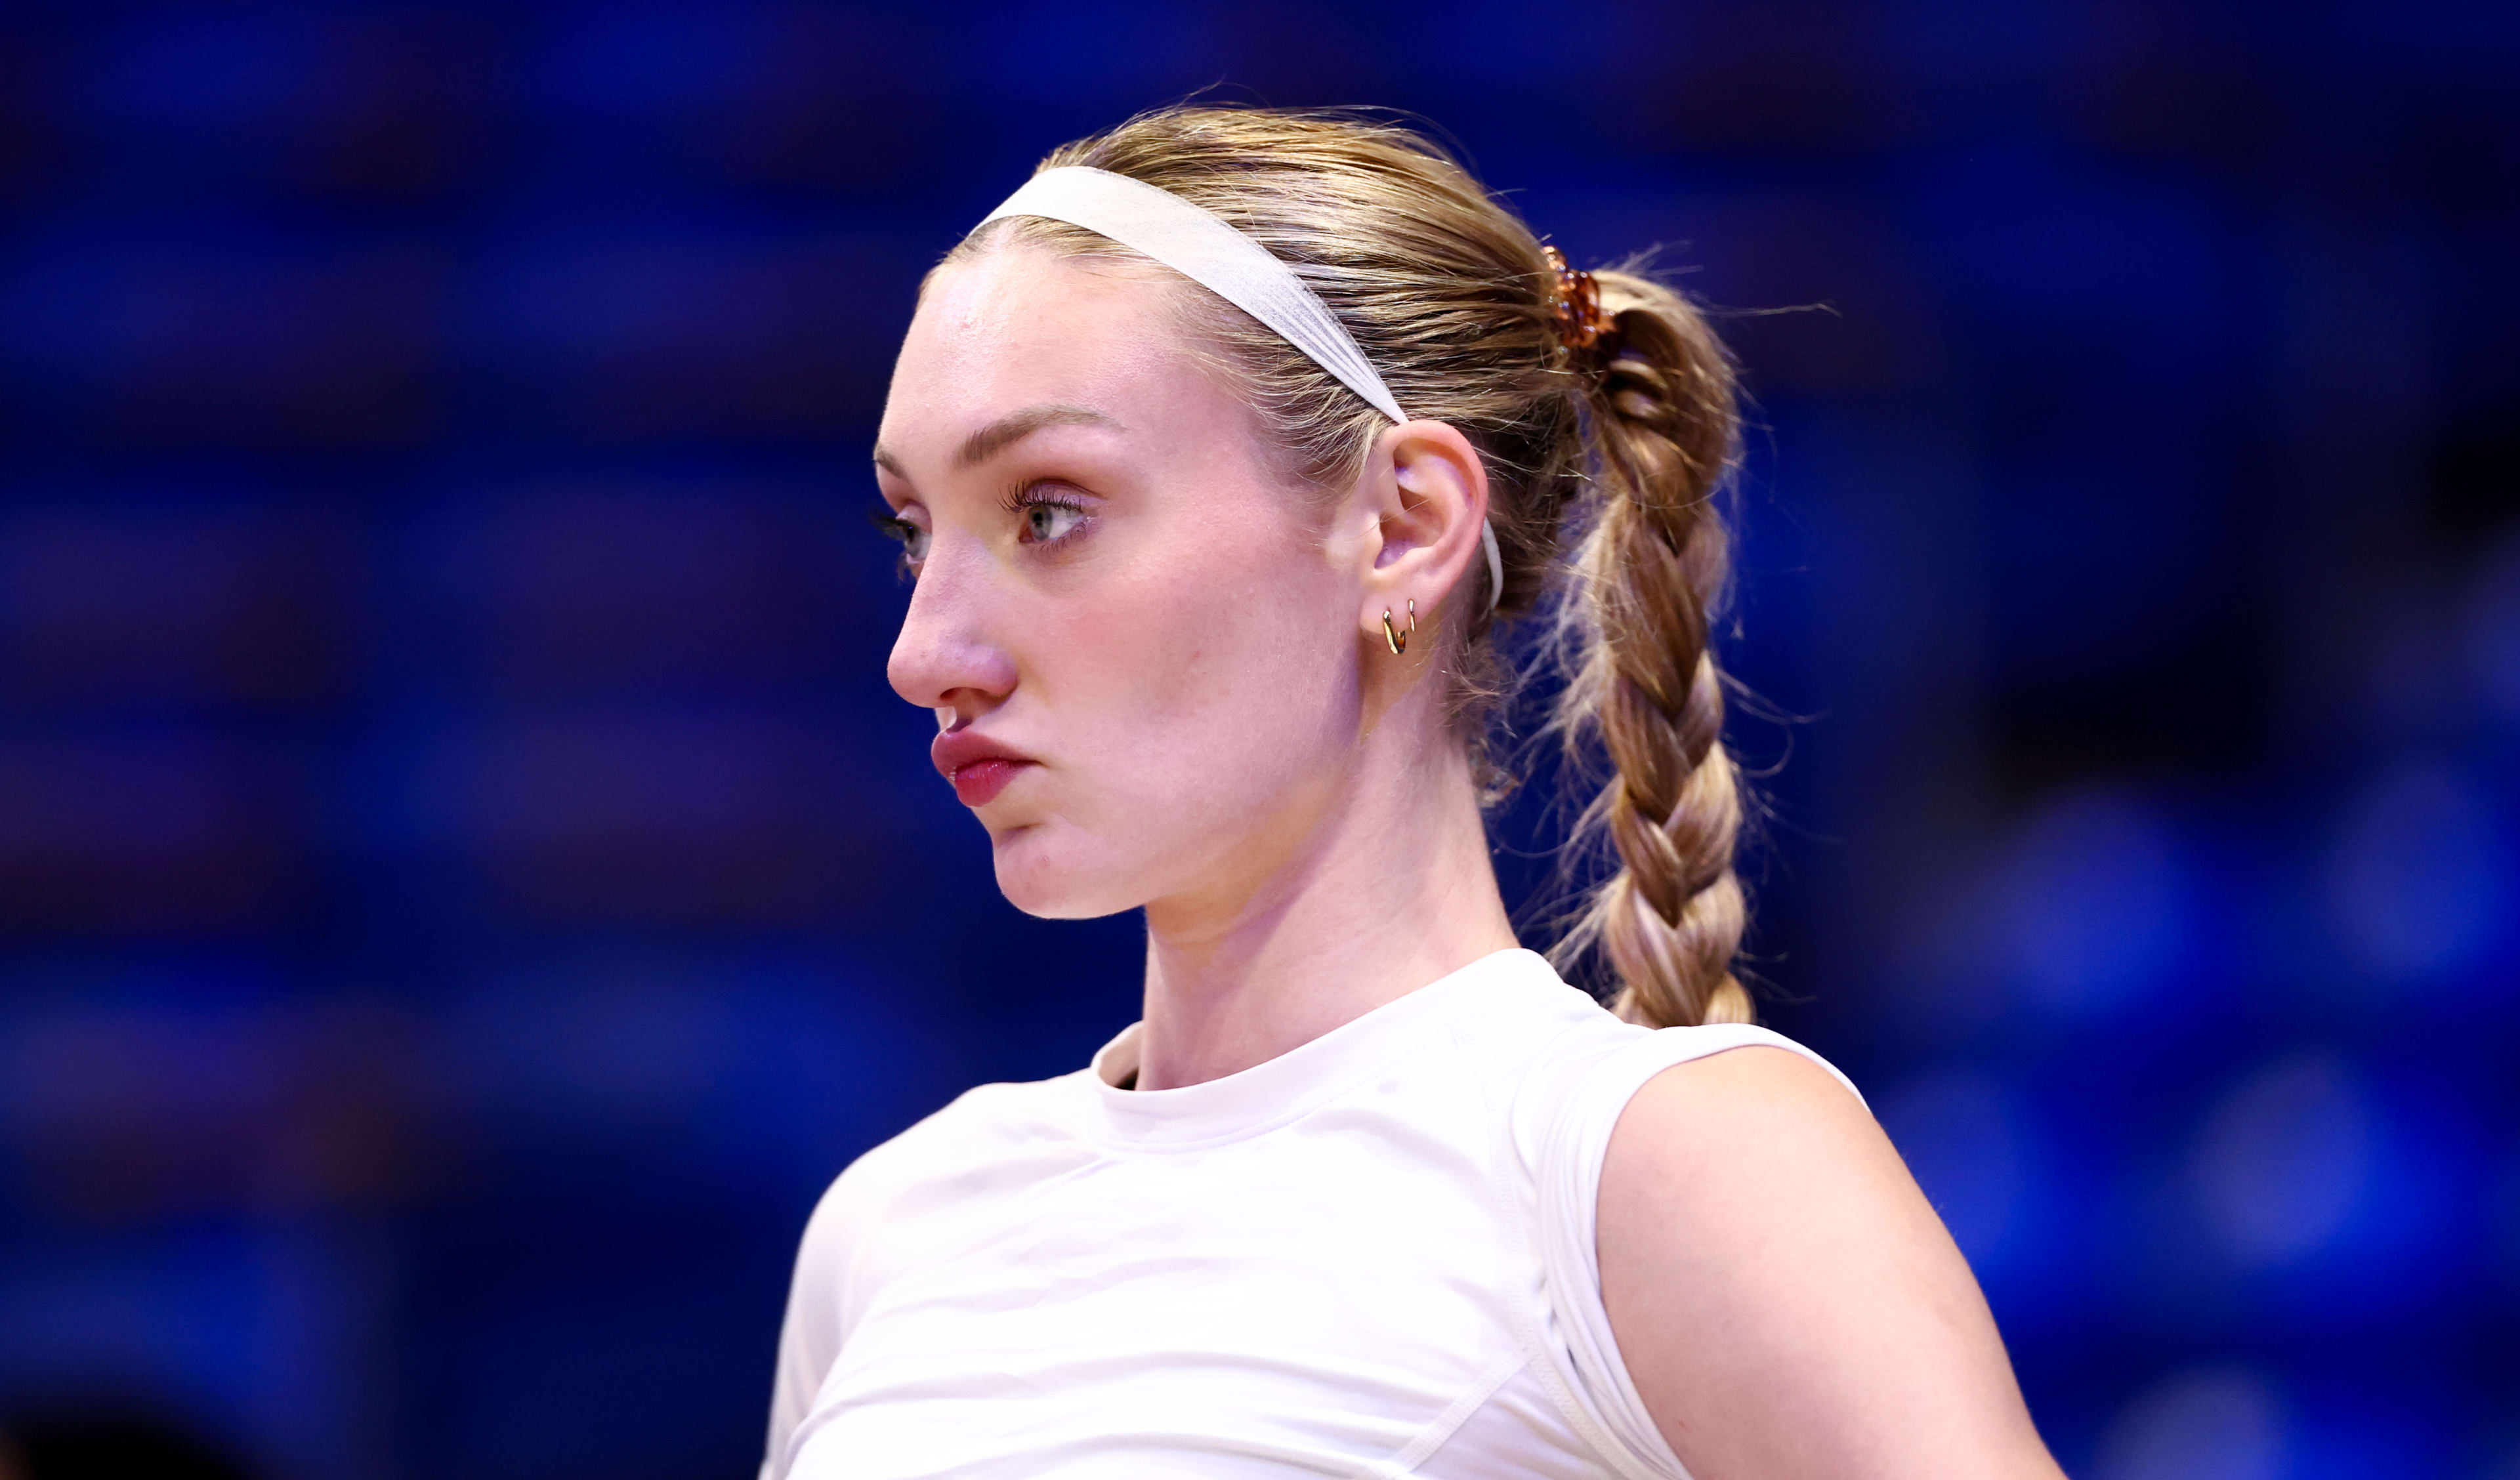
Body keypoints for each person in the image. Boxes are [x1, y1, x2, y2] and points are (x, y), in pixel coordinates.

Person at [763, 106, 2063, 1480]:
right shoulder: (893, 1228)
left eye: (1048, 510)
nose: (923, 657)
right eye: (912, 534)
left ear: (1403, 528)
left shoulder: (1662, 1166)